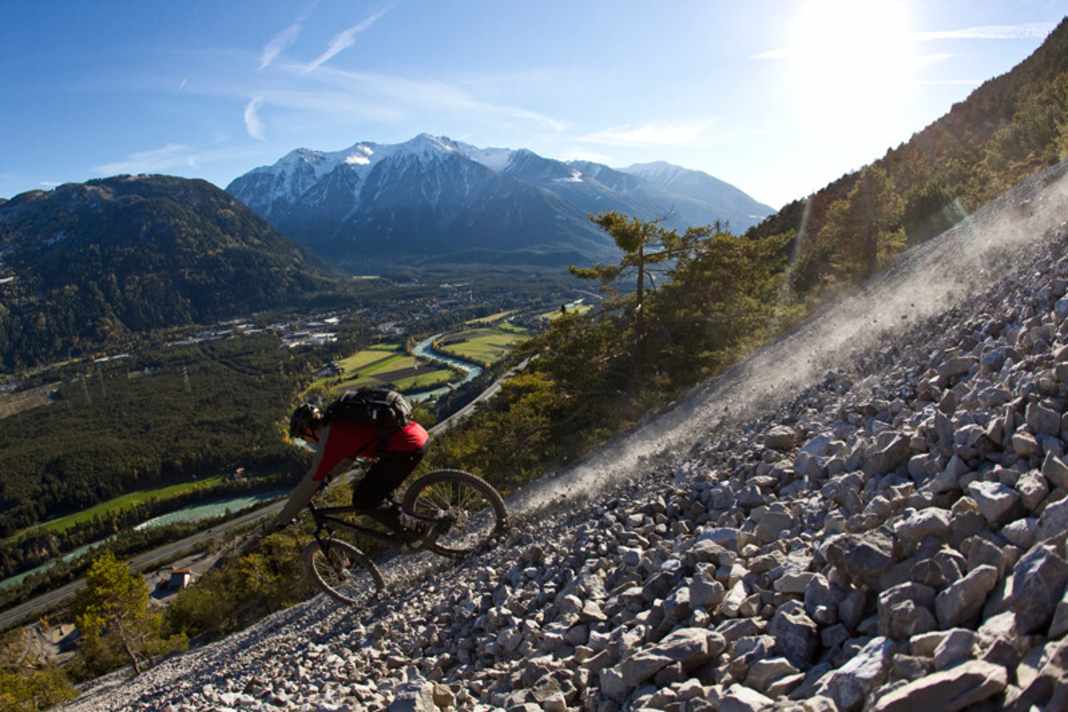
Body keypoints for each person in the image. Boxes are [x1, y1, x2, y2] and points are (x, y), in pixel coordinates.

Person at [271, 398, 431, 540]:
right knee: (375, 490)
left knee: (363, 499)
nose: (304, 441)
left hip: (405, 449)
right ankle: (413, 523)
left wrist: (282, 520)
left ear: (308, 430)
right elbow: (345, 460)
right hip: (415, 436)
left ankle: (419, 530)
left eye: (301, 436)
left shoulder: (331, 437)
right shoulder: (337, 423)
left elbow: (311, 480)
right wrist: (326, 479)